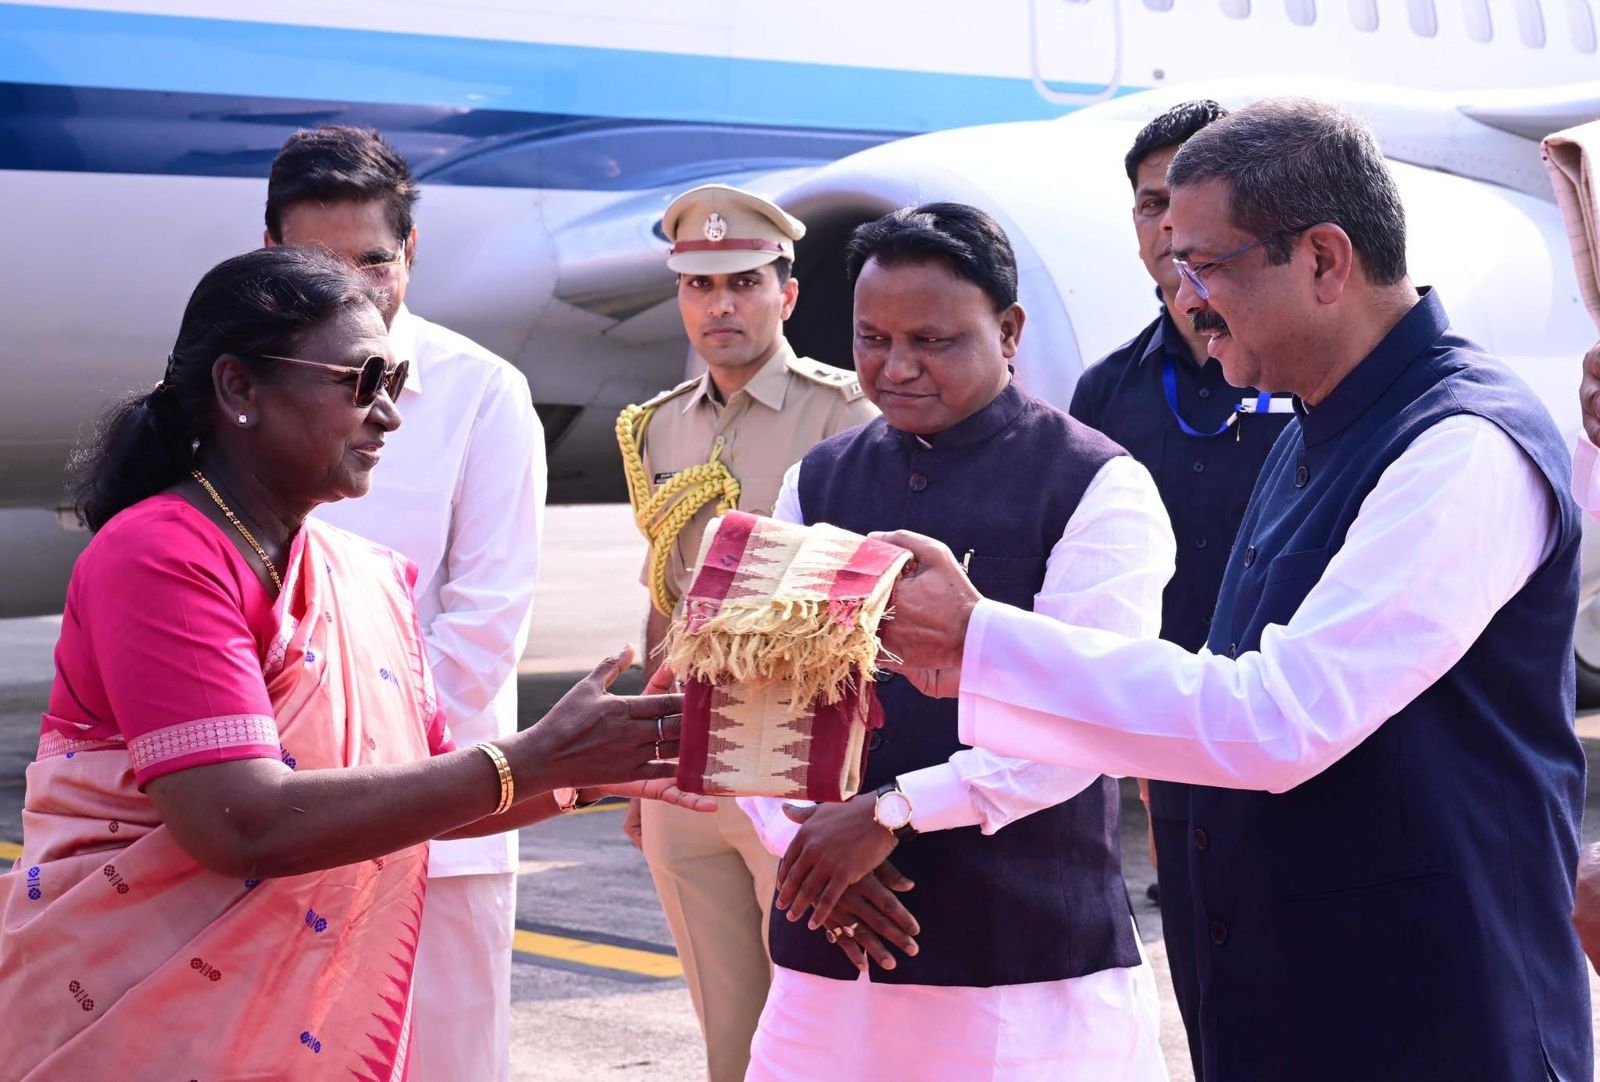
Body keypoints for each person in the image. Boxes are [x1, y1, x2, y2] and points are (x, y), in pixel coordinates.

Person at [875, 100, 1593, 1081]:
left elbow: (1279, 717)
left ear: (1324, 261)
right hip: (1296, 1008)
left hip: (1434, 1018)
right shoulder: (1315, 425)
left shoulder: (1460, 444)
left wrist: (983, 643)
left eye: (1205, 266)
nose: (1186, 298)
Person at [0, 246, 703, 1080]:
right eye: (362, 381)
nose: (389, 415)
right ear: (239, 388)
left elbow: (421, 792)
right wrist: (532, 760)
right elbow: (239, 823)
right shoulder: (161, 555)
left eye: (394, 381)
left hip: (281, 1033)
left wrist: (586, 772)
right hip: (133, 1027)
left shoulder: (356, 573)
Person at [738, 203, 1171, 1080]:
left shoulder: (1096, 486)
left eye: (931, 341)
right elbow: (756, 704)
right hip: (832, 951)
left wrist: (890, 812)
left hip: (1021, 957)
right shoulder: (816, 481)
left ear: (1008, 331)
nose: (895, 367)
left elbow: (1082, 720)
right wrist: (810, 849)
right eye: (872, 339)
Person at [263, 125, 544, 1082]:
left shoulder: (483, 395)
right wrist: (287, 790)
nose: (348, 287)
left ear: (411, 251)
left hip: (441, 820)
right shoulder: (236, 398)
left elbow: (484, 627)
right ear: (271, 254)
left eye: (373, 261)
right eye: (317, 263)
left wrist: (364, 784)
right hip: (277, 819)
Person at [616, 183, 878, 1081]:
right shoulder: (659, 427)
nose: (719, 305)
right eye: (699, 285)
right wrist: (644, 757)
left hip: (794, 758)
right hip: (685, 767)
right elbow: (666, 590)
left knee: (819, 1026)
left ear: (786, 294)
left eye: (743, 283)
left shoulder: (844, 415)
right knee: (727, 1036)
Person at [1066, 98, 1291, 1077]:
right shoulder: (1106, 394)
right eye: (1151, 203)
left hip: (1301, 725)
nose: (1170, 226)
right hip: (1174, 749)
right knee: (1206, 988)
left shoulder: (1307, 371)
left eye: (1189, 200)